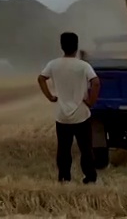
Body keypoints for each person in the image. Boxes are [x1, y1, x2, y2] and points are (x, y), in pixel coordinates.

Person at [37, 31, 101, 184]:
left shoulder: (53, 64)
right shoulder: (83, 65)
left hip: (62, 116)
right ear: (76, 46)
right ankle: (90, 177)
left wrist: (51, 97)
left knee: (64, 149)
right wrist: (91, 102)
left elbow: (41, 79)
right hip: (81, 114)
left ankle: (64, 177)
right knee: (86, 149)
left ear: (61, 46)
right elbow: (96, 82)